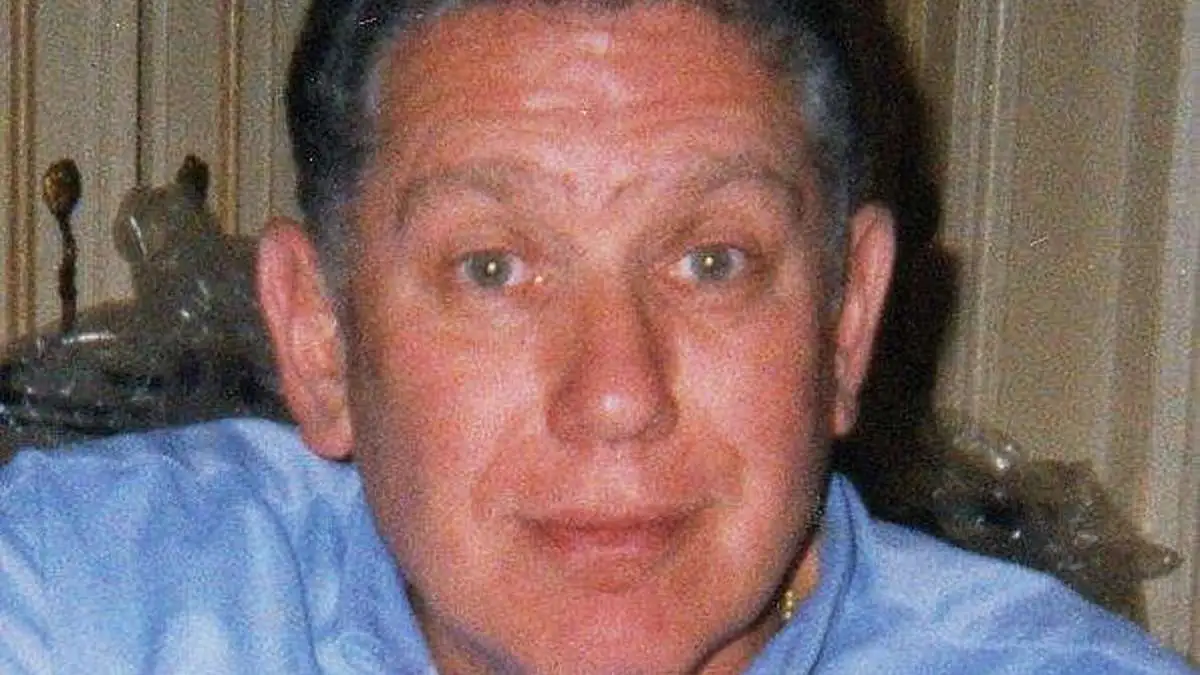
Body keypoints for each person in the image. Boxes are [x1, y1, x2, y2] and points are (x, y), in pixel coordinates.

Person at [0, 1, 1194, 673]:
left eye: (712, 262)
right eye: (494, 268)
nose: (618, 394)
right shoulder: (81, 598)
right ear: (319, 339)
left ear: (846, 321)